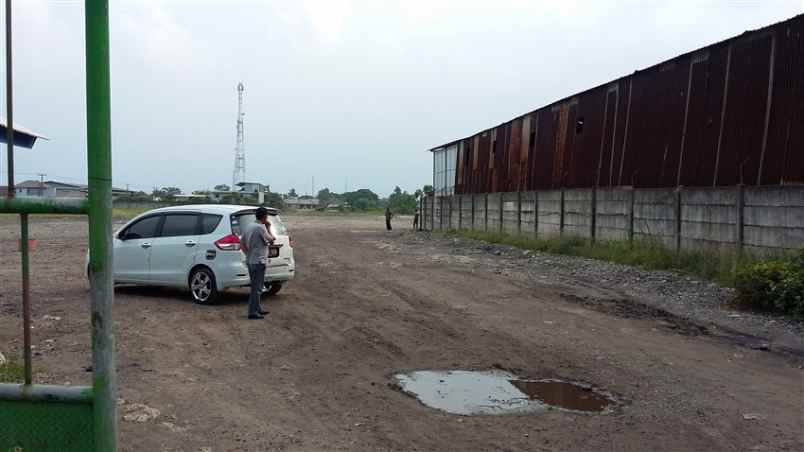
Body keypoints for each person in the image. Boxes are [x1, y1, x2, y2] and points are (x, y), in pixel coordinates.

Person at [240, 207, 276, 320]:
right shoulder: (260, 228)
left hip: (251, 260)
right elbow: (271, 239)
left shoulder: (249, 226)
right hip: (259, 261)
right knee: (257, 288)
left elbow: (242, 244)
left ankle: (257, 308)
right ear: (265, 217)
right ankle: (252, 312)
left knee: (256, 286)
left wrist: (248, 254)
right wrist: (268, 227)